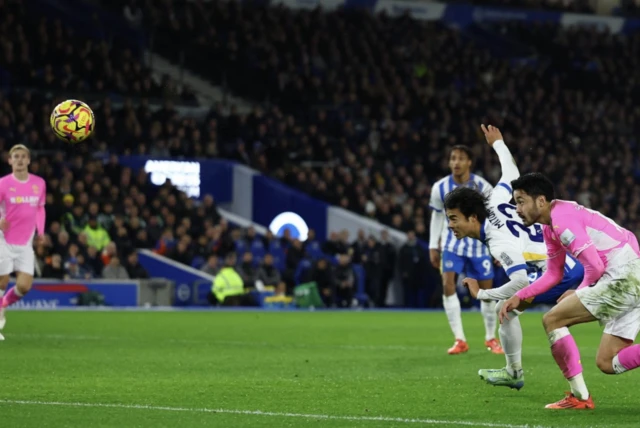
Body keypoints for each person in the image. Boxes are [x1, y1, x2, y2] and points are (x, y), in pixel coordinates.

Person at [444, 125, 584, 390]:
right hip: (568, 260)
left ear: (473, 218)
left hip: (562, 271)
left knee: (504, 309)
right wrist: (498, 143)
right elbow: (511, 171)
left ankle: (514, 372)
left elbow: (520, 281)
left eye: (454, 219)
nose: (451, 226)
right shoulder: (496, 199)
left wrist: (482, 295)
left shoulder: (497, 241)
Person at [499, 172, 640, 409]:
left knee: (552, 320)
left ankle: (580, 398)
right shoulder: (550, 226)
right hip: (630, 274)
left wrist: (580, 290)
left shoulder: (561, 220)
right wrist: (520, 296)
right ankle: (580, 397)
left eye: (521, 201)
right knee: (607, 362)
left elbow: (594, 266)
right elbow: (554, 274)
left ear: (540, 201)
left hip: (622, 276)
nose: (517, 209)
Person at [429, 144, 502, 355]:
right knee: (447, 284)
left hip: (479, 246)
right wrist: (434, 245)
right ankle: (460, 339)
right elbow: (436, 216)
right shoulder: (440, 188)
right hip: (452, 244)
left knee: (486, 293)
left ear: (469, 162)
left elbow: (495, 217)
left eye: (461, 158)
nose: (456, 163)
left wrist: (496, 245)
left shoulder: (483, 187)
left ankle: (490, 338)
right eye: (453, 158)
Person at [0, 144, 47, 340]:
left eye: (23, 156)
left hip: (25, 243)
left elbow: (40, 209)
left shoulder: (39, 183)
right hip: (3, 239)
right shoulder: (2, 183)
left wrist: (41, 232)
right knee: (2, 279)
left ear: (28, 160)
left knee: (25, 286)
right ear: (10, 161)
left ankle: (2, 305)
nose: (19, 160)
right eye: (15, 157)